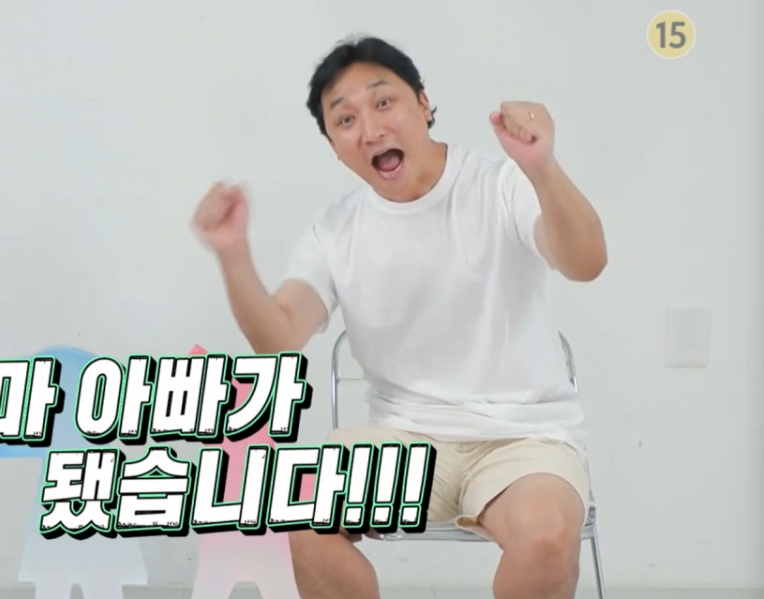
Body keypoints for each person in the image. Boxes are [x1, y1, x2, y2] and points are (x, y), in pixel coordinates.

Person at [191, 36, 607, 599]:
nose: (369, 129)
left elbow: (586, 263)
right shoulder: (335, 229)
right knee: (289, 514)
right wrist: (232, 255)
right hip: (403, 437)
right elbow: (279, 339)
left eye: (383, 102)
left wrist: (542, 168)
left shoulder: (501, 184)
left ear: (424, 103)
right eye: (345, 119)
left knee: (546, 538)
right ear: (334, 146)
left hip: (525, 437)